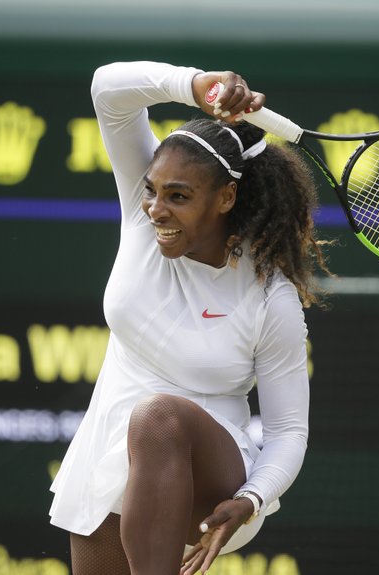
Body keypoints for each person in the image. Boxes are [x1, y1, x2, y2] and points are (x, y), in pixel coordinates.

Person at [48, 61, 330, 575]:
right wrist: (192, 85)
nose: (156, 208)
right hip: (107, 463)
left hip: (213, 478)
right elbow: (107, 89)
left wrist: (253, 498)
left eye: (178, 196)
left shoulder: (271, 297)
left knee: (159, 417)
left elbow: (289, 431)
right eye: (153, 190)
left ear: (226, 198)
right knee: (146, 421)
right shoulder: (143, 214)